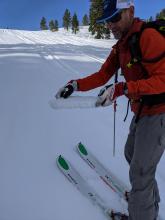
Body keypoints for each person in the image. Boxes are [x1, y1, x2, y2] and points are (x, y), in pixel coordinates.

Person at [56, 0, 165, 219]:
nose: (110, 25)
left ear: (131, 12)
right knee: (131, 154)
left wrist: (124, 88)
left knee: (140, 171)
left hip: (159, 112)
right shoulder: (122, 46)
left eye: (115, 18)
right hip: (142, 110)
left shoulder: (147, 37)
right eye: (106, 21)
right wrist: (75, 84)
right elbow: (102, 75)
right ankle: (146, 202)